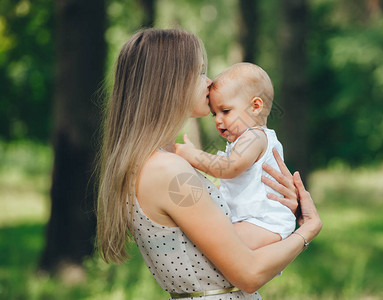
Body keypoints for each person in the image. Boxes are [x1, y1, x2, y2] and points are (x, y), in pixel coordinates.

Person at [96, 28, 322, 300]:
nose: (209, 81)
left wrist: (265, 203)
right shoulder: (168, 170)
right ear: (170, 82)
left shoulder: (151, 164)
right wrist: (307, 229)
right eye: (200, 72)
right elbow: (249, 274)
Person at [175, 63, 295, 250]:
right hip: (250, 220)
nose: (218, 120)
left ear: (255, 106)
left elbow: (230, 168)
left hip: (265, 222)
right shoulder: (243, 141)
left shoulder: (255, 136)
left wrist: (192, 155)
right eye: (214, 114)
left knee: (219, 245)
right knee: (214, 243)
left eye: (226, 111)